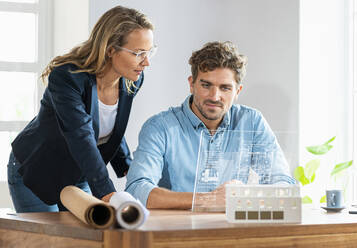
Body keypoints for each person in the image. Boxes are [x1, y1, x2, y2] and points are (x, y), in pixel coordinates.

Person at [7, 6, 157, 213]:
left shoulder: (132, 80)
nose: (146, 62)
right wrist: (108, 193)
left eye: (149, 52)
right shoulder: (67, 77)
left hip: (79, 171)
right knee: (49, 243)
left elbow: (108, 124)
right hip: (37, 169)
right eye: (138, 53)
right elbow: (81, 134)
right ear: (110, 49)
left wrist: (127, 167)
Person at [125, 41, 295, 210]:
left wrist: (249, 196)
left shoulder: (252, 122)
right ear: (191, 84)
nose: (214, 97)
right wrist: (208, 200)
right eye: (206, 85)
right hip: (178, 231)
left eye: (225, 88)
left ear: (238, 91)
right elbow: (137, 190)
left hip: (232, 230)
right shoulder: (159, 127)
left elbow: (283, 182)